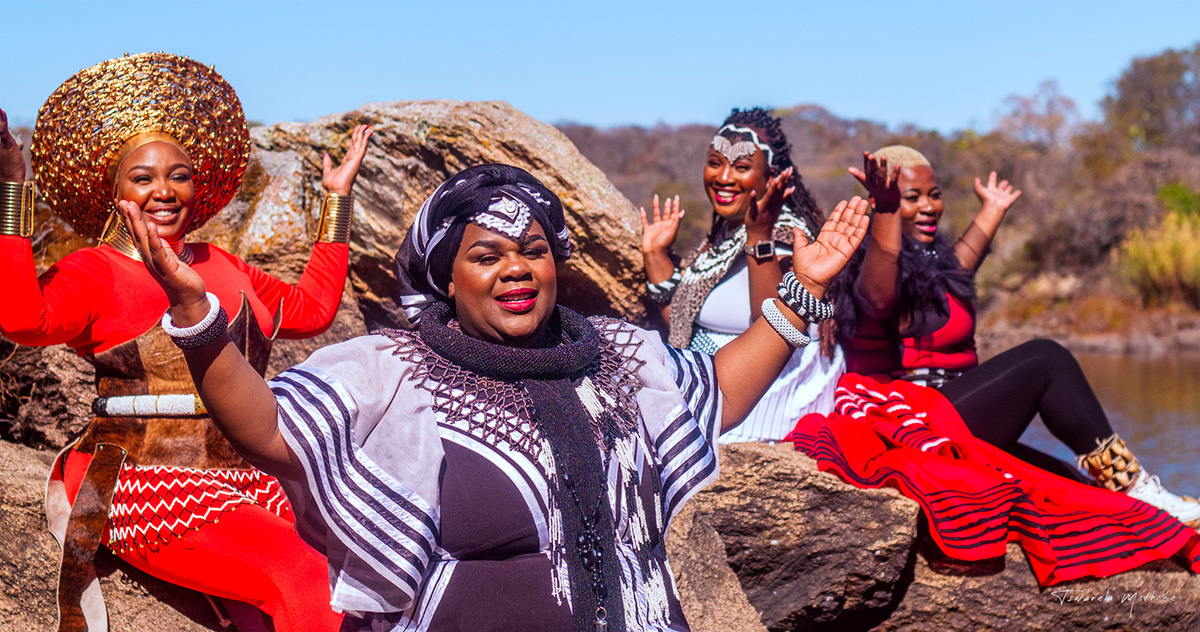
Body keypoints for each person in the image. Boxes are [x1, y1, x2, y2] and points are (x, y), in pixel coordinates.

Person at [120, 163, 870, 631]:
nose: (516, 268)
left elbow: (722, 395)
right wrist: (196, 319)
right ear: (448, 276)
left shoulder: (616, 355)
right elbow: (268, 432)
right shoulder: (393, 370)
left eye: (533, 250)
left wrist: (803, 292)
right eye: (487, 255)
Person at [0, 53, 370, 630]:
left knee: (367, 567)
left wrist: (337, 199)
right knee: (303, 575)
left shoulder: (224, 264)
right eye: (142, 177)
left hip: (249, 478)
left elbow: (315, 309)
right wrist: (11, 192)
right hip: (144, 482)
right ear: (114, 191)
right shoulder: (94, 269)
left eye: (179, 174)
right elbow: (23, 320)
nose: (164, 190)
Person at [831, 145, 1200, 527]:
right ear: (882, 200)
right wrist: (886, 210)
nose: (929, 206)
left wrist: (992, 209)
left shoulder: (935, 266)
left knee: (1078, 489)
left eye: (934, 194)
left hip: (961, 414)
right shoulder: (871, 265)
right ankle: (1133, 484)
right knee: (1046, 360)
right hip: (912, 426)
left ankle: (1138, 503)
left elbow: (962, 264)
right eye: (912, 198)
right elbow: (877, 299)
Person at [640, 107, 844, 444]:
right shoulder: (720, 240)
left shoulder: (787, 238)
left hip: (761, 414)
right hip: (715, 395)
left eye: (742, 167)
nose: (724, 177)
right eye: (716, 162)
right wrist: (655, 254)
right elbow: (683, 322)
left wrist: (759, 239)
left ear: (772, 177)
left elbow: (772, 328)